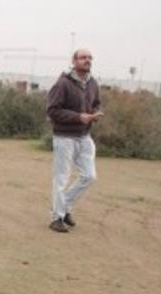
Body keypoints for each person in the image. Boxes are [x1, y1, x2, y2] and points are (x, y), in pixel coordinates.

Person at [46, 49, 102, 233]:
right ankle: (57, 218)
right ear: (74, 61)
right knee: (61, 178)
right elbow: (52, 111)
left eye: (89, 58)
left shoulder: (93, 83)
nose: (87, 60)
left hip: (84, 136)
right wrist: (78, 117)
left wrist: (95, 113)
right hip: (64, 137)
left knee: (89, 176)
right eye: (83, 57)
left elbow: (96, 103)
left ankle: (64, 206)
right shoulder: (63, 83)